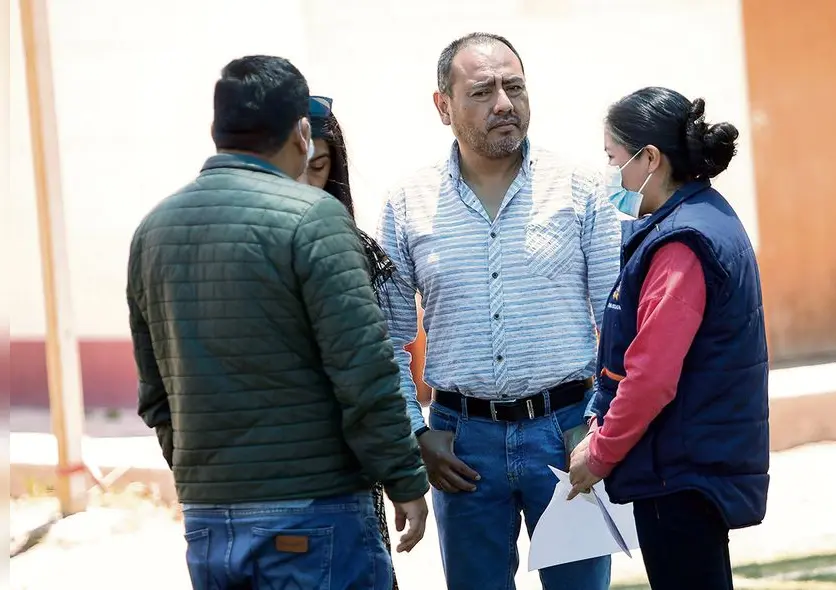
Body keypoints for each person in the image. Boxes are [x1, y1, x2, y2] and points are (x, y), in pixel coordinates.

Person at [126, 55, 429, 590]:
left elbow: (155, 394)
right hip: (314, 512)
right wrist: (404, 478)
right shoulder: (313, 217)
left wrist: (207, 481)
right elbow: (363, 369)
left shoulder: (153, 229)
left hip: (209, 518)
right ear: (302, 133)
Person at [376, 32, 620, 590]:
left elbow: (618, 327)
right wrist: (417, 432)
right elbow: (385, 340)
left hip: (568, 435)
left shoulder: (582, 189)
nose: (504, 104)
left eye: (514, 87)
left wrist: (598, 423)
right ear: (444, 106)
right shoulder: (406, 202)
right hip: (460, 447)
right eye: (483, 91)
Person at [566, 87, 770, 590]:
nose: (610, 174)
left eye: (613, 158)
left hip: (679, 473)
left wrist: (599, 453)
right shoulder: (703, 216)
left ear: (649, 159)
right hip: (689, 464)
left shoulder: (681, 241)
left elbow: (652, 376)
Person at [300, 94, 401, 590]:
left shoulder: (354, 249)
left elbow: (376, 367)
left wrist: (401, 473)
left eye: (318, 168)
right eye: (294, 168)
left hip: (347, 472)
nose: (305, 185)